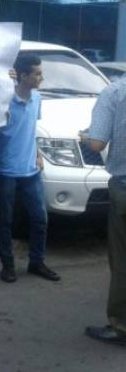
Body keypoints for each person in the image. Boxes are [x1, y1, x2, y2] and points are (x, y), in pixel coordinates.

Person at [0, 54, 59, 283]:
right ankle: (8, 264)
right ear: (23, 76)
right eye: (38, 73)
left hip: (31, 169)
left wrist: (39, 154)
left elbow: (31, 131)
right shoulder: (4, 101)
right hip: (7, 171)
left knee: (40, 218)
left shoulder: (38, 98)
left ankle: (36, 262)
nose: (42, 77)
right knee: (6, 221)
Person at [84, 73, 126, 345]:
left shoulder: (115, 92)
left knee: (122, 260)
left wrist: (85, 136)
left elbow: (97, 143)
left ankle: (121, 326)